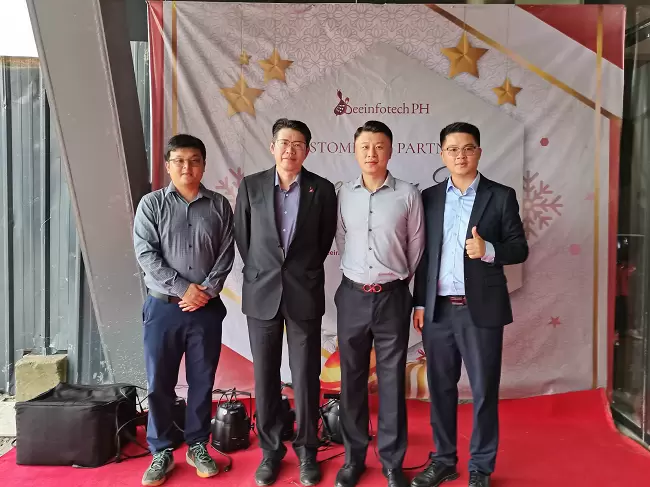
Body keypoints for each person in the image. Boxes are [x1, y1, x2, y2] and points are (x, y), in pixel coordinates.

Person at [410, 122, 528, 487]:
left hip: (481, 310)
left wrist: (488, 249)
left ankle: (481, 467)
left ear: (479, 152)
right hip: (438, 311)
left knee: (483, 390)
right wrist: (419, 303)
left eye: (468, 148)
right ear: (442, 154)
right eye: (453, 149)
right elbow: (424, 256)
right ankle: (444, 460)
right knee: (440, 389)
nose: (460, 156)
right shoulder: (429, 197)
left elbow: (519, 248)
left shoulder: (501, 196)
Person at [234, 118, 337, 487]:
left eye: (297, 144)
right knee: (265, 377)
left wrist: (298, 273)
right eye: (284, 142)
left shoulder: (321, 189)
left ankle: (307, 451)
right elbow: (243, 238)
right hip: (261, 292)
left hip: (303, 292)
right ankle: (271, 450)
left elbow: (324, 241)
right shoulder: (251, 186)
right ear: (272, 146)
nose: (290, 150)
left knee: (306, 375)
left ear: (307, 150)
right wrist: (266, 271)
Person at [133, 134, 235, 486]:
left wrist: (204, 292)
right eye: (179, 161)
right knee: (160, 381)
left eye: (194, 160)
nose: (187, 167)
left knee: (202, 381)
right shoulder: (151, 205)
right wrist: (183, 289)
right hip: (163, 308)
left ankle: (197, 444)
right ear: (168, 166)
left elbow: (226, 253)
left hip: (205, 309)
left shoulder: (219, 205)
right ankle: (161, 450)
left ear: (203, 165)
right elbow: (146, 254)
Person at [334, 120, 425, 487]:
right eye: (365, 147)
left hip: (392, 298)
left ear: (390, 150)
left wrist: (393, 280)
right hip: (352, 296)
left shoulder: (408, 194)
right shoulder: (343, 193)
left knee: (391, 381)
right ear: (355, 151)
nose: (371, 153)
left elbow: (415, 247)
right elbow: (342, 238)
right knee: (352, 380)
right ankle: (353, 458)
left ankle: (392, 462)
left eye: (379, 146)